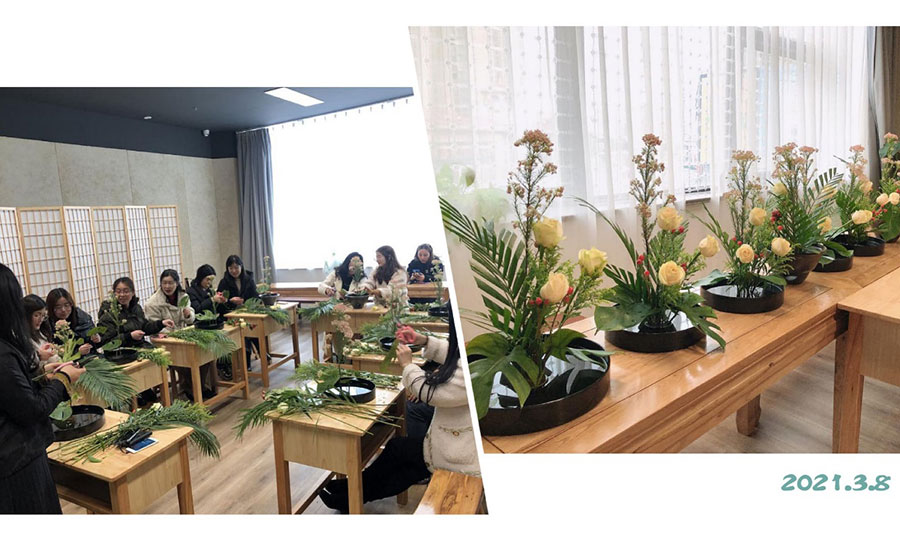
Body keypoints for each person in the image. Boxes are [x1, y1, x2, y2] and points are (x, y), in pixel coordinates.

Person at [319, 305, 478, 512]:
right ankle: (350, 490)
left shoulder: (473, 371)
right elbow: (455, 354)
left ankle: (351, 495)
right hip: (453, 441)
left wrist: (408, 365)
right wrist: (424, 340)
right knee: (398, 451)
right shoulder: (475, 351)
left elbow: (430, 393)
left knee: (404, 464)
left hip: (460, 458)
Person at [0, 264, 85, 513]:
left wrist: (40, 376)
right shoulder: (4, 353)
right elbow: (32, 410)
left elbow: (12, 393)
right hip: (16, 461)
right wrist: (63, 379)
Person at [97, 277, 173, 406]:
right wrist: (129, 336)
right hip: (119, 353)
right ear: (114, 293)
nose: (122, 295)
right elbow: (106, 342)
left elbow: (145, 327)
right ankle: (139, 393)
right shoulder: (109, 312)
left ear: (132, 292)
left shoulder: (135, 308)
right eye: (118, 291)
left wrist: (161, 323)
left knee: (161, 359)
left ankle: (147, 390)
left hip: (137, 348)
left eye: (126, 291)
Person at [216, 255, 260, 366]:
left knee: (253, 328)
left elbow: (256, 298)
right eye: (231, 268)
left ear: (241, 266)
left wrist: (245, 302)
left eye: (236, 267)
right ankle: (247, 362)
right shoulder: (224, 282)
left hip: (249, 313)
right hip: (231, 316)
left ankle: (256, 356)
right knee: (244, 329)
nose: (234, 271)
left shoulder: (249, 279)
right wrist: (230, 301)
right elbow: (220, 305)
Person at [46, 288, 101, 355]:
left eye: (66, 305)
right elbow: (53, 352)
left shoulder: (82, 317)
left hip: (90, 356)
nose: (63, 310)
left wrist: (97, 339)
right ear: (51, 308)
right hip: (65, 360)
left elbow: (95, 345)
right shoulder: (47, 324)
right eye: (58, 307)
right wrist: (77, 352)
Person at [23, 295, 59, 372]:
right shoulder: (22, 338)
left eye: (43, 316)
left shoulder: (41, 332)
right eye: (36, 315)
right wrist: (40, 357)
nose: (41, 319)